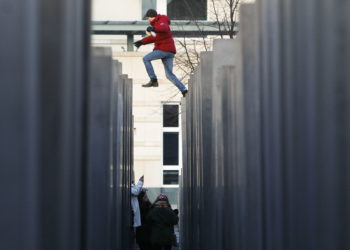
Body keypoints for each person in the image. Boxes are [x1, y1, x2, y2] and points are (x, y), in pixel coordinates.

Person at [134, 9, 189, 97]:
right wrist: (141, 42)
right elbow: (155, 38)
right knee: (169, 75)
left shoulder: (162, 20)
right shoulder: (156, 25)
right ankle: (184, 91)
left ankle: (153, 80)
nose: (148, 20)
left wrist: (153, 28)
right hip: (169, 51)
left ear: (152, 17)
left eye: (148, 18)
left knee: (146, 58)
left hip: (164, 49)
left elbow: (164, 28)